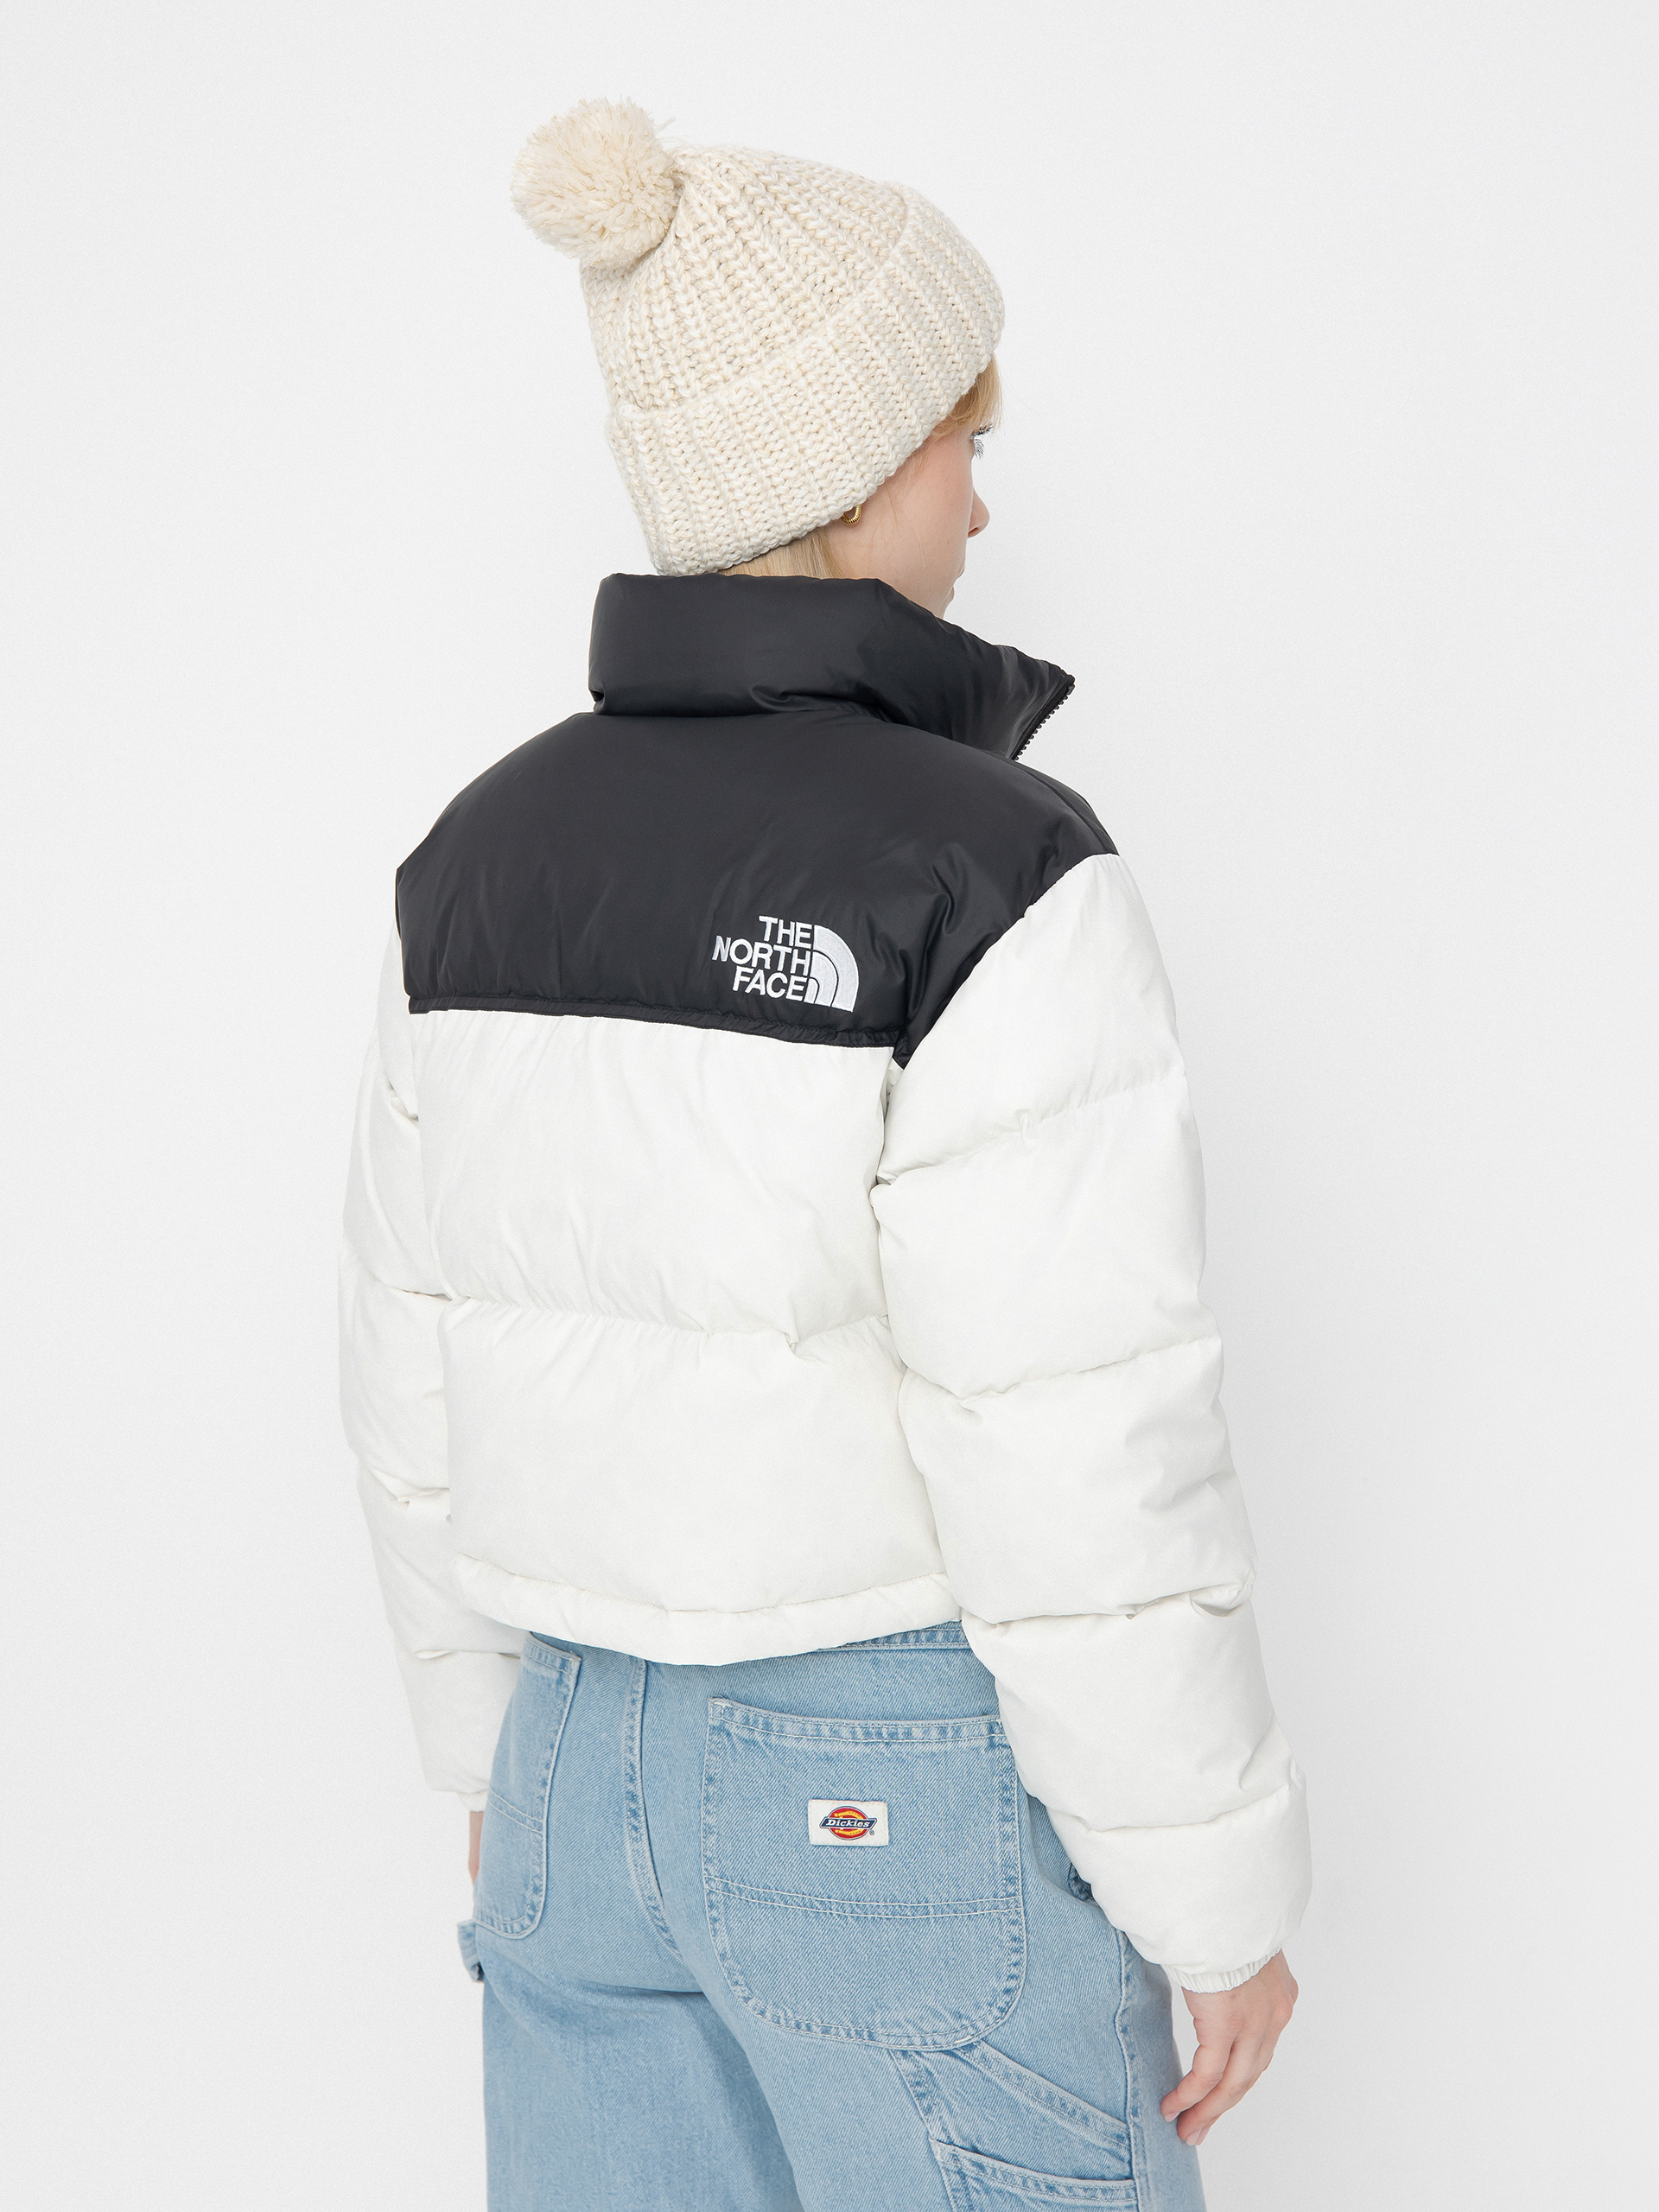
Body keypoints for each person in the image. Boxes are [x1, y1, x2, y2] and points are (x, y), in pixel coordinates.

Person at [340, 96, 1309, 2210]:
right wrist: (1212, 1888)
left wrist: (491, 1753)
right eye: (967, 438)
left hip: (571, 1763)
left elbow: (407, 1371)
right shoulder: (996, 871)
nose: (983, 496)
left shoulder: (475, 855)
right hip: (884, 1779)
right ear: (861, 466)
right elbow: (1075, 1432)